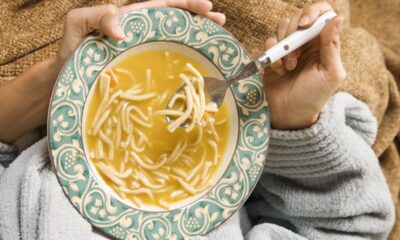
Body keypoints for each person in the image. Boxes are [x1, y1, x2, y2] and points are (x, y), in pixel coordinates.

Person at [0, 0, 394, 239]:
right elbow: (348, 225)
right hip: (255, 139)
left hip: (47, 116)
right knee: (336, 46)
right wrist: (292, 123)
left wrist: (54, 77)